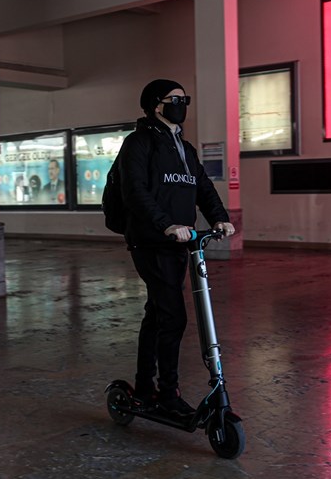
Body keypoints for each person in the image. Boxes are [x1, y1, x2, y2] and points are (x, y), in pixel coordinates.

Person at [117, 79, 236, 417]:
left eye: (185, 98)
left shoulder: (184, 147)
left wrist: (219, 218)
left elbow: (202, 186)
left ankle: (144, 386)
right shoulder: (138, 143)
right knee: (172, 317)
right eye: (175, 99)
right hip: (151, 240)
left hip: (176, 244)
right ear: (157, 104)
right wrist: (165, 224)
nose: (182, 103)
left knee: (157, 314)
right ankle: (167, 393)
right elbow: (135, 191)